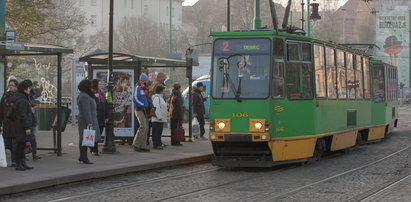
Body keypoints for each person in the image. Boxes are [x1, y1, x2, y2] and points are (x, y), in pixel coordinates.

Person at [12, 80, 36, 171]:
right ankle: (19, 164)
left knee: (21, 145)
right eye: (28, 88)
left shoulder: (20, 97)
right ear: (25, 90)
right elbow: (23, 115)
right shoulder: (22, 100)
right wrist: (27, 127)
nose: (29, 90)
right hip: (21, 126)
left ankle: (22, 163)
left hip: (19, 125)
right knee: (20, 145)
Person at [77, 80, 100, 164]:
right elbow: (86, 111)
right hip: (86, 121)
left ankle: (82, 156)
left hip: (88, 119)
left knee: (85, 138)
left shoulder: (86, 95)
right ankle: (84, 157)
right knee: (85, 139)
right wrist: (89, 122)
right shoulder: (84, 96)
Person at [0, 77, 18, 167]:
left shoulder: (17, 96)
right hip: (6, 123)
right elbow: (1, 111)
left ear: (16, 87)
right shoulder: (4, 96)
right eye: (9, 85)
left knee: (14, 143)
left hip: (15, 123)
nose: (10, 87)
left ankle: (14, 160)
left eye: (12, 85)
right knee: (7, 143)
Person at [147, 72, 167, 146]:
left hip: (151, 106)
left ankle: (148, 141)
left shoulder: (153, 83)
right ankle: (157, 143)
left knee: (151, 126)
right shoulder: (159, 85)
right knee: (157, 128)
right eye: (164, 79)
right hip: (156, 108)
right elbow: (162, 97)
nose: (164, 80)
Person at [132, 73, 150, 152]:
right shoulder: (138, 88)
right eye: (147, 80)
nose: (148, 81)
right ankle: (136, 144)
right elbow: (135, 98)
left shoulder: (143, 88)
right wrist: (142, 104)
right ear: (143, 80)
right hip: (139, 109)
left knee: (146, 127)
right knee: (143, 127)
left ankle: (142, 146)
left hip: (143, 109)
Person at [23, 79, 40, 161]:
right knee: (26, 139)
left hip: (32, 119)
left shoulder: (32, 93)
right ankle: (25, 155)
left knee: (32, 138)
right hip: (28, 120)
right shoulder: (24, 95)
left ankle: (34, 154)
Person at [91, 78, 106, 156]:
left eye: (101, 84)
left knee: (99, 133)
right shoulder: (92, 93)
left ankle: (92, 148)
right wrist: (94, 97)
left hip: (101, 117)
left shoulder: (102, 94)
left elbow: (105, 104)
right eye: (99, 84)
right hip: (95, 117)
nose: (100, 85)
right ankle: (94, 149)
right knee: (95, 133)